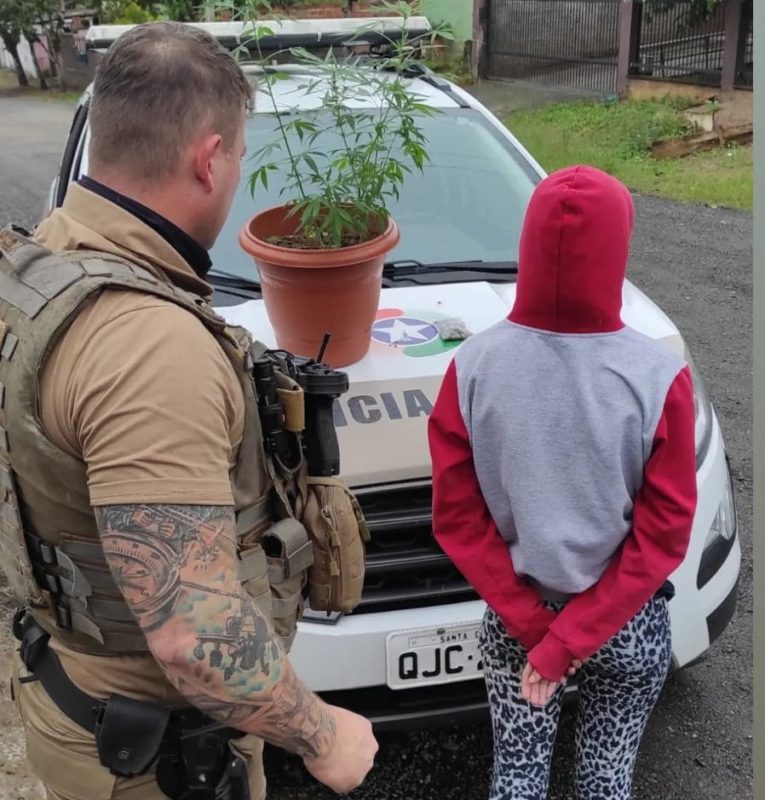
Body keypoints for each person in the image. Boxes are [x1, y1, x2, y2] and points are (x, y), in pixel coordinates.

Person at [0, 21, 377, 800]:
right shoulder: (147, 346)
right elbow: (196, 634)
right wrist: (323, 734)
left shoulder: (38, 269)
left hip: (75, 694)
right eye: (238, 156)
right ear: (208, 159)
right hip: (155, 760)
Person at [427, 165, 697, 799]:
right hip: (624, 623)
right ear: (617, 244)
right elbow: (664, 536)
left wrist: (540, 635)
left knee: (517, 777)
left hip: (519, 614)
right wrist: (575, 638)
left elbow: (457, 518)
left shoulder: (472, 366)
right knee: (605, 782)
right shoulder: (658, 376)